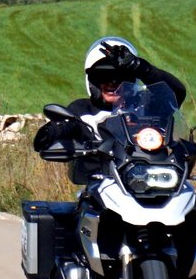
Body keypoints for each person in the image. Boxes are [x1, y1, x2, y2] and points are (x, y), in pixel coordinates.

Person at [35, 37, 186, 183]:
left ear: (131, 79)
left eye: (120, 76)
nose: (112, 83)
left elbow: (175, 92)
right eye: (104, 76)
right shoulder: (82, 111)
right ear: (92, 81)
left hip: (156, 180)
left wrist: (140, 67)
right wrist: (52, 132)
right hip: (101, 187)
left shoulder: (146, 105)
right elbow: (66, 126)